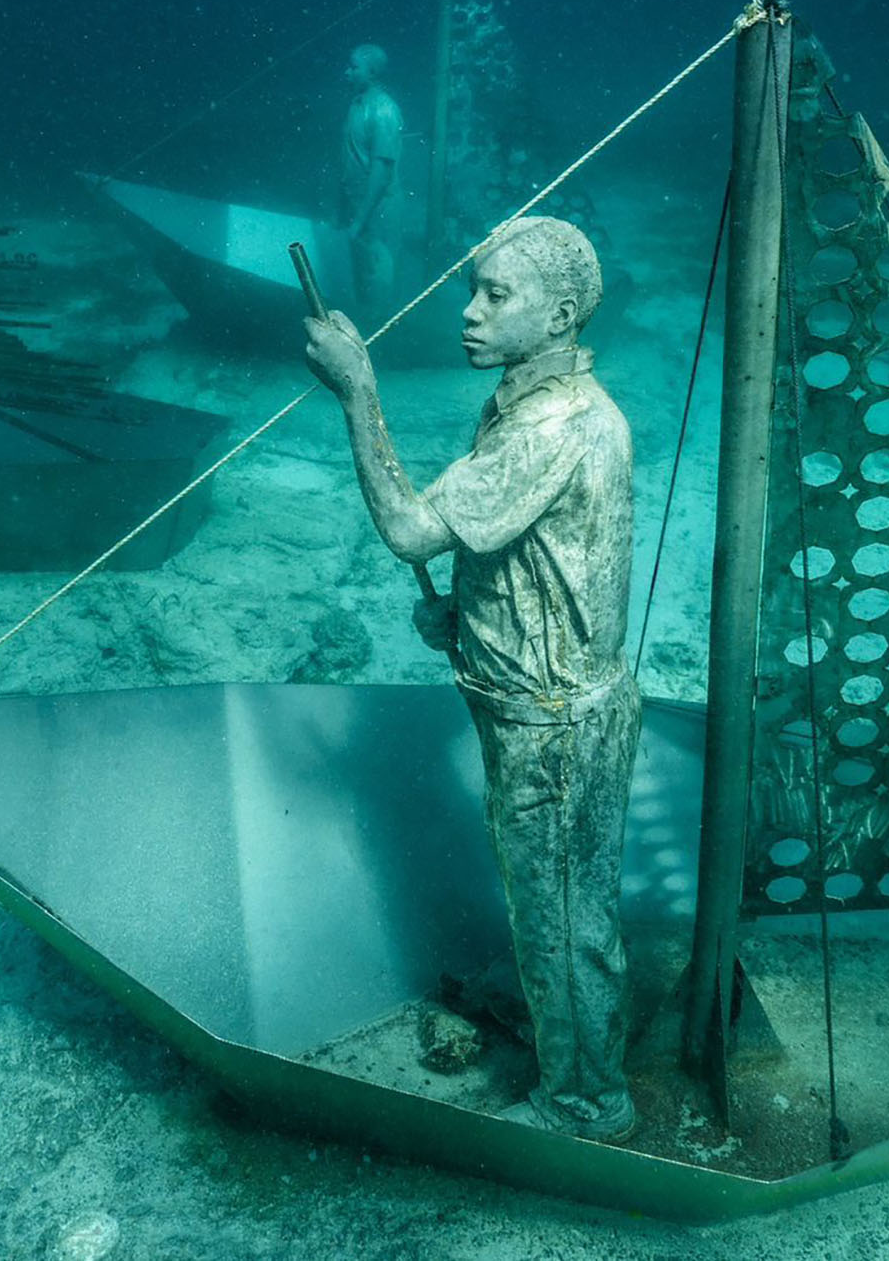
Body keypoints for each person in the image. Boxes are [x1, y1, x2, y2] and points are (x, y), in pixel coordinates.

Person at [302, 216, 639, 1143]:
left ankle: (588, 1102)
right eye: (475, 288)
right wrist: (469, 608)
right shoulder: (534, 406)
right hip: (544, 705)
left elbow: (412, 529)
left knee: (565, 920)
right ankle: (566, 1029)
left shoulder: (552, 427)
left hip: (552, 723)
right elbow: (561, 560)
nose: (471, 311)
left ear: (561, 313)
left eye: (498, 294)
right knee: (556, 910)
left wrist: (357, 391)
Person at [336, 42, 406, 311]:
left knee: (380, 271)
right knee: (363, 270)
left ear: (373, 73)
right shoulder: (357, 105)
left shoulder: (383, 110)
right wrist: (342, 209)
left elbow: (382, 171)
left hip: (379, 206)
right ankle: (365, 322)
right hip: (360, 204)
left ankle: (385, 333)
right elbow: (349, 160)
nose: (347, 72)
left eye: (354, 67)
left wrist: (361, 219)